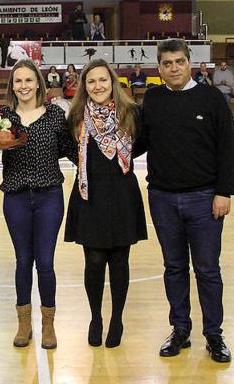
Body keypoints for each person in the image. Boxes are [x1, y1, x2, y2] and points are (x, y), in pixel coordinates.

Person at [138, 39, 233, 363]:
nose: (173, 68)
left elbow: (227, 148)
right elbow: (138, 142)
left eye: (179, 61)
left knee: (207, 270)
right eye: (167, 63)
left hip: (205, 199)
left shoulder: (212, 98)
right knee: (174, 268)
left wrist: (224, 191)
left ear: (189, 62)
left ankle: (214, 335)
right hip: (163, 198)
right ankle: (180, 329)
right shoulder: (152, 98)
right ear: (159, 67)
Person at [64, 58, 147, 348]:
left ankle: (117, 319)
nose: (98, 86)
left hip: (122, 193)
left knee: (120, 261)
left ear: (112, 82)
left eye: (102, 80)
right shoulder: (75, 117)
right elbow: (68, 149)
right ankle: (96, 317)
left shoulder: (132, 113)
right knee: (94, 261)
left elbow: (144, 144)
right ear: (84, 87)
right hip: (90, 194)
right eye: (91, 81)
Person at [0, 59, 76, 349]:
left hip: (49, 197)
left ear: (38, 84)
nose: (24, 86)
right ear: (12, 86)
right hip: (16, 197)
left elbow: (72, 152)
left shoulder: (55, 115)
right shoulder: (4, 117)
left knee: (45, 261)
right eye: (18, 81)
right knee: (22, 261)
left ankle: (48, 324)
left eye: (29, 80)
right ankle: (23, 324)